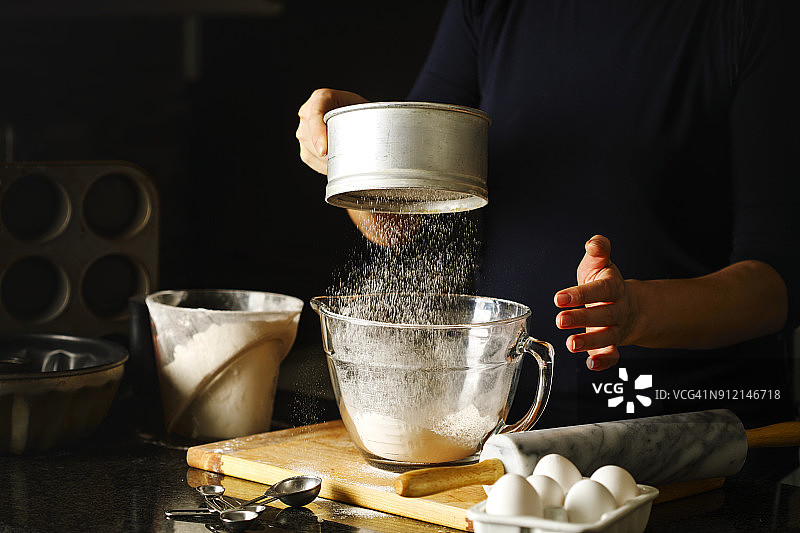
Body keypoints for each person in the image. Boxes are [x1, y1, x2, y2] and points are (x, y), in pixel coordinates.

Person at [296, 1, 800, 430]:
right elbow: (399, 224)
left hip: (691, 436)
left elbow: (776, 285)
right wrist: (365, 153)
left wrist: (636, 312)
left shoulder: (753, 15)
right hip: (501, 429)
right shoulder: (490, 6)